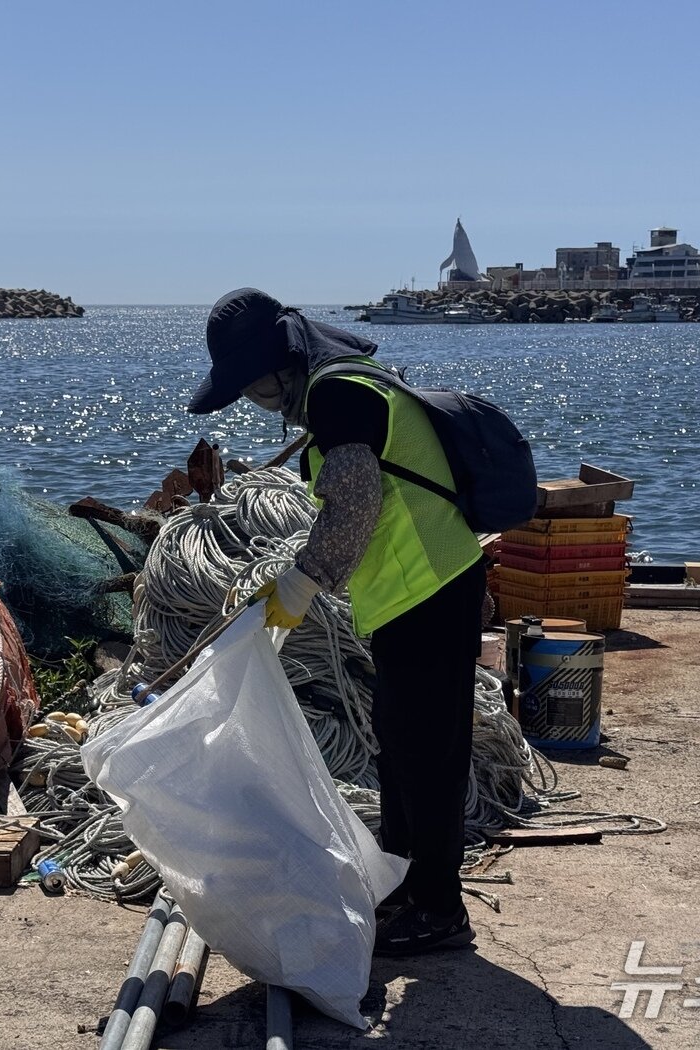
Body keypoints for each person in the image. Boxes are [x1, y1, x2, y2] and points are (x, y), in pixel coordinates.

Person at [187, 287, 487, 956]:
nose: (256, 401)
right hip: (411, 596)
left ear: (280, 365)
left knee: (429, 755)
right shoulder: (342, 385)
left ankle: (441, 909)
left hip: (433, 589)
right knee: (401, 746)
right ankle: (406, 885)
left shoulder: (338, 394)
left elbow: (354, 504)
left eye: (253, 386)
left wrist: (301, 582)